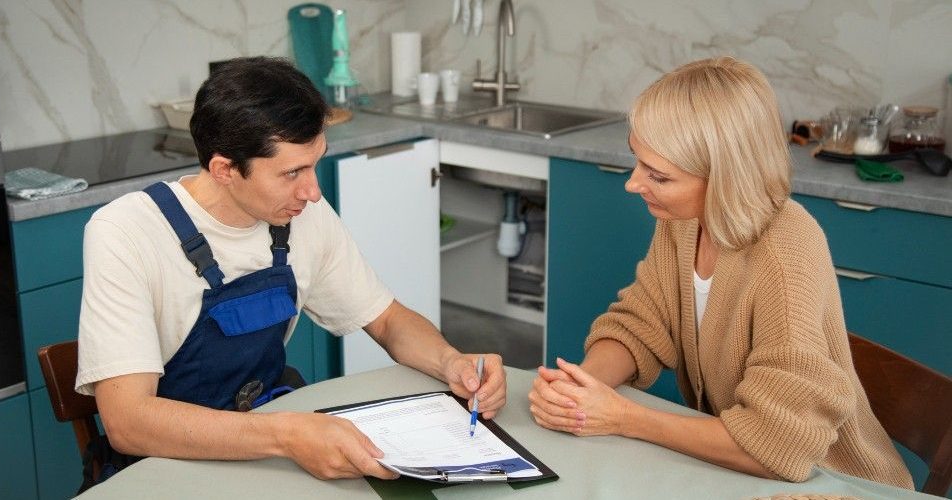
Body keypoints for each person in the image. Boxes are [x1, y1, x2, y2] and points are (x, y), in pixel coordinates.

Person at [75, 56, 505, 482]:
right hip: (168, 465)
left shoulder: (299, 214)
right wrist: (286, 434)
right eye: (292, 172)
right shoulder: (126, 231)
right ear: (224, 169)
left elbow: (388, 320)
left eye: (315, 163)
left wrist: (452, 363)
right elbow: (128, 422)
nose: (313, 191)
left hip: (269, 440)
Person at [527, 57, 913, 489]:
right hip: (741, 473)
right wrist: (580, 390)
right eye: (637, 161)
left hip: (833, 485)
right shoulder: (682, 221)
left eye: (659, 176)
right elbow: (640, 323)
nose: (633, 184)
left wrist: (623, 418)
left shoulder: (786, 249)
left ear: (726, 178)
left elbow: (778, 444)